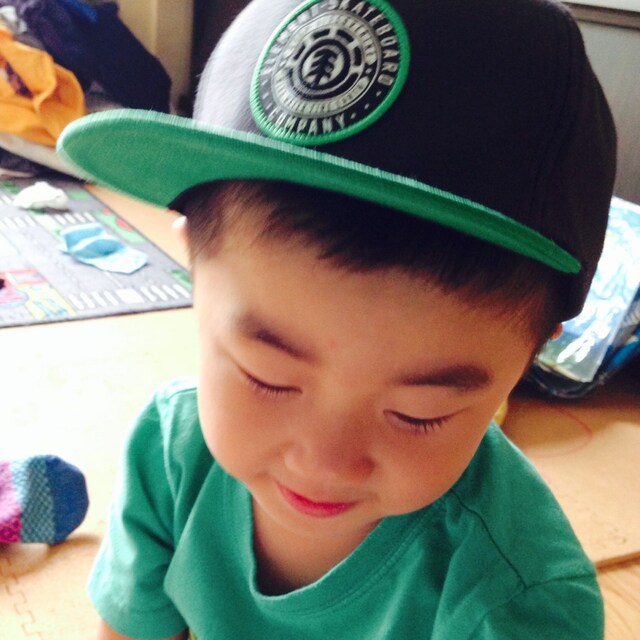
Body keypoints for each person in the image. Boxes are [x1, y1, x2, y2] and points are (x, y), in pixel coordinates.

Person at [58, 0, 616, 638]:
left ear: (534, 353)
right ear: (192, 262)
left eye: (418, 414)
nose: (326, 464)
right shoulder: (171, 452)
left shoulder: (517, 601)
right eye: (267, 376)